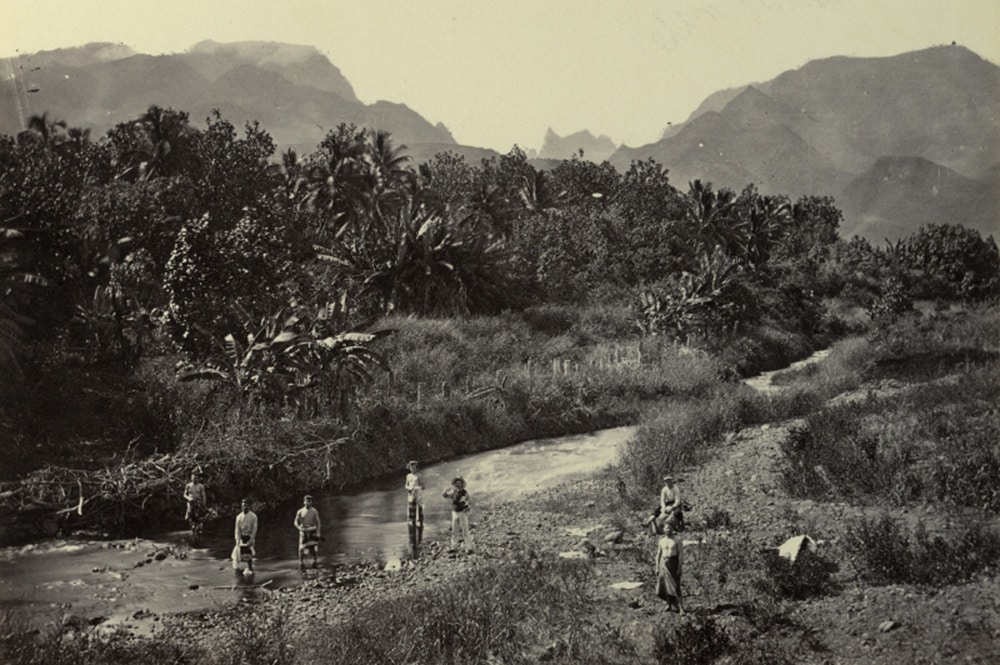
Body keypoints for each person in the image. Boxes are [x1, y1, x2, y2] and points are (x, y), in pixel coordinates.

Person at [655, 521, 685, 614]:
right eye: (666, 528)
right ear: (663, 529)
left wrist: (680, 567)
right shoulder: (661, 541)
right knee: (663, 585)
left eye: (670, 527)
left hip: (673, 562)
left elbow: (680, 554)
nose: (668, 529)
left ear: (673, 528)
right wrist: (657, 567)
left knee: (675, 586)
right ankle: (669, 604)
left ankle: (681, 608)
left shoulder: (677, 540)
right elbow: (658, 554)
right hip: (663, 563)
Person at [442, 476, 473, 553]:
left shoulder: (465, 493)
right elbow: (445, 496)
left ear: (462, 483)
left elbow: (469, 503)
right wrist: (445, 490)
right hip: (454, 513)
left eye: (459, 482)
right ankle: (454, 547)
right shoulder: (453, 491)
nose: (458, 483)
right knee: (454, 531)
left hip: (462, 513)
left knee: (465, 531)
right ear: (455, 483)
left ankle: (469, 548)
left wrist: (467, 507)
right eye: (456, 482)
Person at [294, 494, 322, 570]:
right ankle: (301, 563)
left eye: (309, 502)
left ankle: (315, 562)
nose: (308, 503)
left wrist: (318, 532)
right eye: (306, 502)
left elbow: (318, 522)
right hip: (303, 531)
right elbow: (295, 522)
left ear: (311, 502)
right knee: (301, 548)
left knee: (314, 548)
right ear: (304, 502)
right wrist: (299, 527)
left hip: (312, 530)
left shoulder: (314, 511)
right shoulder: (300, 511)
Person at [232, 498, 258, 573]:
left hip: (249, 537)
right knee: (238, 554)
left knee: (248, 555)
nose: (244, 507)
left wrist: (251, 539)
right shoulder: (238, 517)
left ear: (249, 506)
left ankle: (250, 569)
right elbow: (237, 530)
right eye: (243, 506)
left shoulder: (253, 516)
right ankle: (238, 571)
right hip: (241, 537)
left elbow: (254, 529)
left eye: (246, 506)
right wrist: (237, 540)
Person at [405, 461, 424, 558]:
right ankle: (411, 522)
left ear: (417, 468)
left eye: (415, 467)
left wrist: (419, 488)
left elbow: (423, 485)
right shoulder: (408, 476)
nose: (413, 469)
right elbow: (406, 485)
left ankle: (420, 521)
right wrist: (410, 488)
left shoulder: (419, 475)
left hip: (418, 493)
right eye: (412, 467)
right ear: (409, 468)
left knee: (419, 508)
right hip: (411, 494)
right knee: (411, 508)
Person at [183, 470, 207, 539]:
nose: (195, 480)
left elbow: (203, 495)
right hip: (190, 501)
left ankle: (200, 528)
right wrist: (188, 498)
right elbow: (184, 494)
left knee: (200, 516)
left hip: (198, 501)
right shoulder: (188, 485)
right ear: (191, 478)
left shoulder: (201, 486)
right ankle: (190, 522)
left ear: (198, 479)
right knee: (189, 513)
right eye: (193, 478)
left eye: (196, 478)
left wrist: (204, 504)